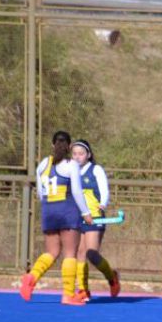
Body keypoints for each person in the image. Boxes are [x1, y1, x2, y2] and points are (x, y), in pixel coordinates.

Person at [19, 130, 93, 305]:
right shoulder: (71, 164)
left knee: (51, 252)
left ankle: (31, 277)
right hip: (67, 210)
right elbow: (76, 191)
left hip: (48, 210)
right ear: (69, 146)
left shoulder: (43, 164)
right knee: (70, 253)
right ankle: (68, 294)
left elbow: (39, 193)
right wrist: (85, 212)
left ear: (53, 145)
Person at [71, 139, 120, 301]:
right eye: (74, 154)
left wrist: (103, 203)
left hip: (95, 216)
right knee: (80, 253)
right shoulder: (72, 172)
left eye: (81, 154)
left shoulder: (96, 169)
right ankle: (83, 290)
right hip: (80, 218)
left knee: (92, 253)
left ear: (88, 155)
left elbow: (104, 189)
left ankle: (112, 277)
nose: (77, 157)